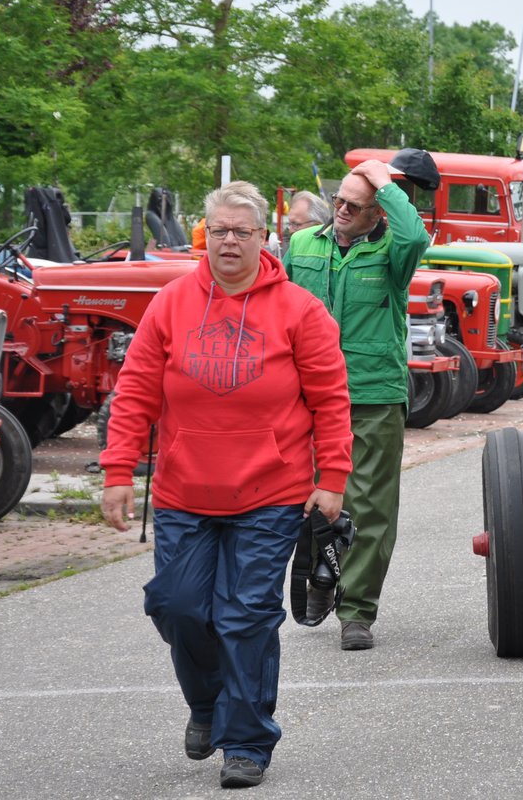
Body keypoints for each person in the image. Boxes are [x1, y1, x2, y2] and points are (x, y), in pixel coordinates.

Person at [99, 180, 352, 790]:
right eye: (219, 231)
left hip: (270, 493)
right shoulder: (170, 304)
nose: (229, 241)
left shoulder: (299, 310)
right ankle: (208, 703)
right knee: (177, 606)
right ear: (204, 237)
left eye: (242, 231)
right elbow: (135, 392)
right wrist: (118, 470)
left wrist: (333, 478)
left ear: (264, 237)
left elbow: (330, 399)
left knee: (246, 616)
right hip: (184, 493)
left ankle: (246, 742)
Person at [282, 158, 427, 651]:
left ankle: (357, 610)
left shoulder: (393, 251)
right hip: (305, 393)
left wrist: (384, 182)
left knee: (369, 505)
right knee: (303, 494)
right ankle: (321, 575)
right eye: (339, 200)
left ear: (377, 212)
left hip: (372, 394)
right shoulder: (304, 245)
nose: (342, 210)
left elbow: (415, 236)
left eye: (355, 205)